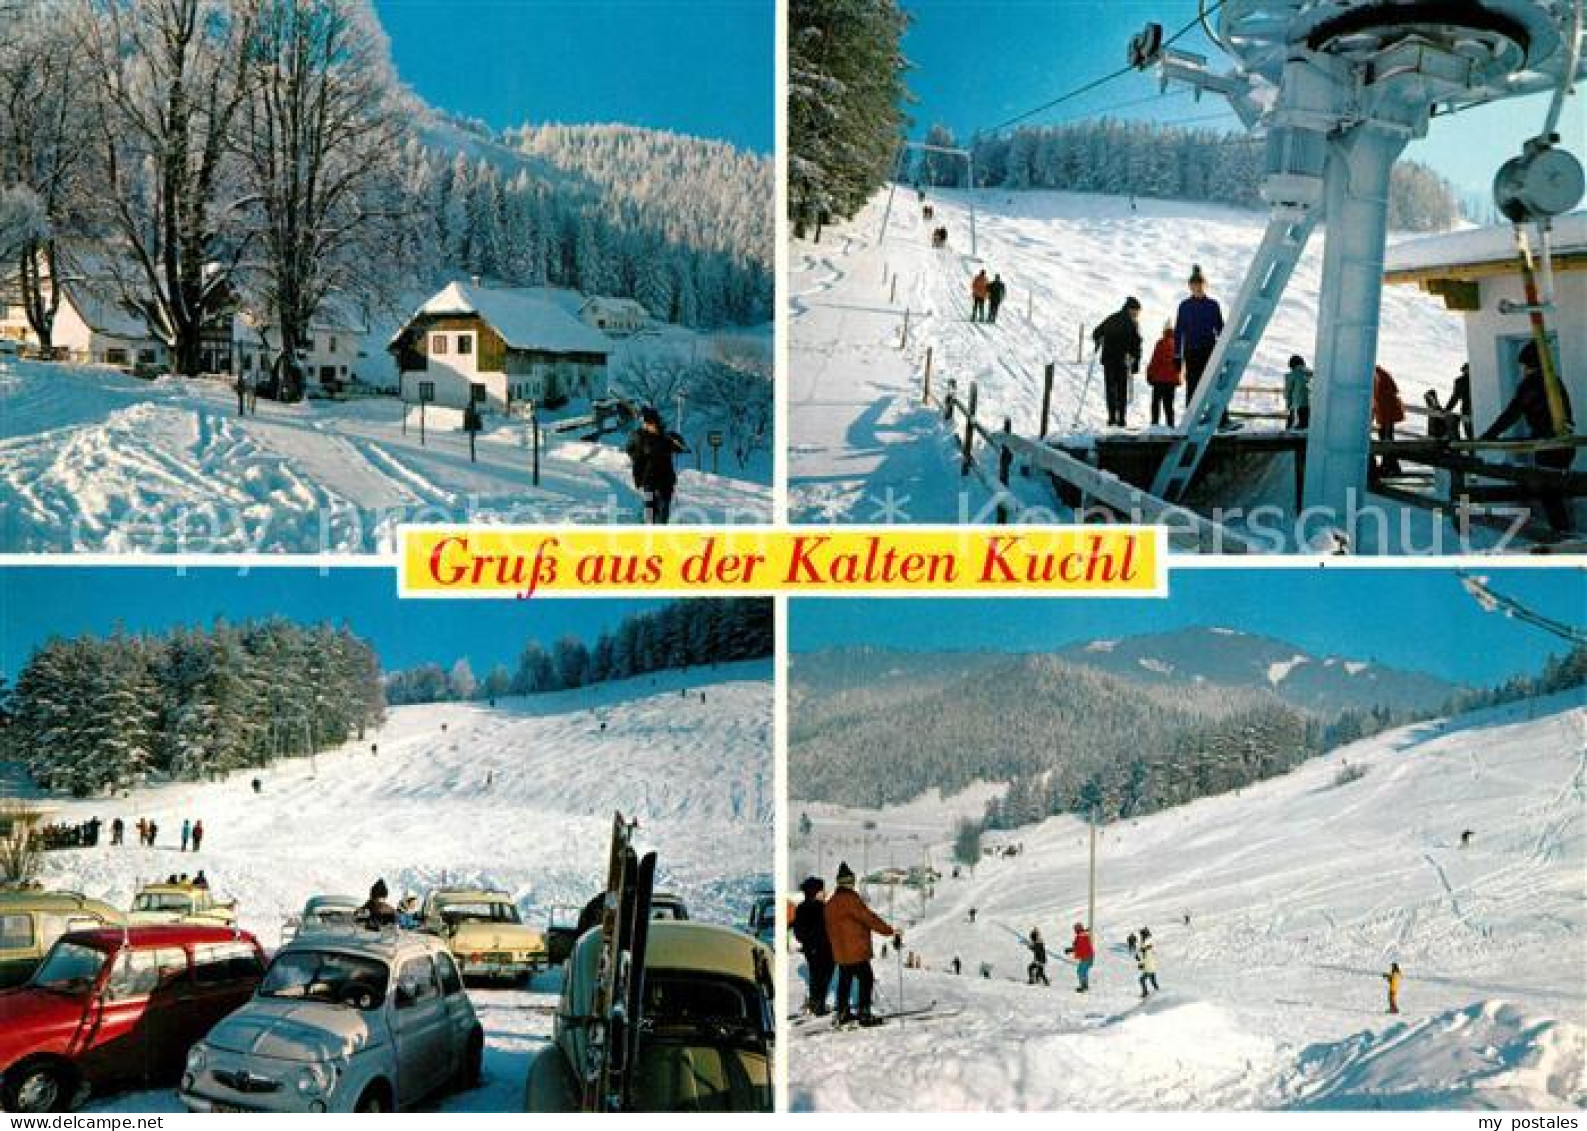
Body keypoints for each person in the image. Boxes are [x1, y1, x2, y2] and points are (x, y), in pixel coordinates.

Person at [1482, 340, 1577, 532]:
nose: (1522, 370)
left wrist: (1490, 434)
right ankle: (1564, 528)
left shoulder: (1532, 384)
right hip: (1565, 442)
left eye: (1524, 365)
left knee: (1548, 490)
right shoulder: (1554, 381)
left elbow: (1512, 413)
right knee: (1556, 487)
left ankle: (1561, 531)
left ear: (1529, 364)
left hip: (1548, 444)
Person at [823, 861, 897, 1026]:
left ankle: (843, 1013)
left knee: (844, 981)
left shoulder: (830, 903)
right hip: (856, 950)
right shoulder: (851, 900)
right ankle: (864, 1014)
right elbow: (869, 918)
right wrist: (889, 930)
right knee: (866, 979)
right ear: (850, 882)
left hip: (840, 951)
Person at [625, 406, 687, 525]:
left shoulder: (667, 437)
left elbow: (682, 448)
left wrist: (677, 441)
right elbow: (631, 451)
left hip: (665, 479)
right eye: (646, 423)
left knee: (664, 509)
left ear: (656, 422)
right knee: (649, 508)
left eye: (650, 423)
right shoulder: (640, 436)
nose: (648, 426)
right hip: (648, 478)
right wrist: (637, 474)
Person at [1175, 265, 1224, 408]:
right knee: (1193, 385)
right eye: (1194, 286)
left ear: (1205, 286)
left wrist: (1225, 350)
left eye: (1200, 286)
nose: (1197, 289)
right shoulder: (1184, 306)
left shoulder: (1212, 305)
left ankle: (1220, 416)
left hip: (1209, 350)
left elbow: (1220, 329)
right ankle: (1190, 415)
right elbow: (1179, 331)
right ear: (1190, 287)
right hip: (1192, 351)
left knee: (1213, 383)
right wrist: (1177, 355)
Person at [1093, 297, 1143, 428]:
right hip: (1121, 361)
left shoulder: (1112, 318)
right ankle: (1121, 419)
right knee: (1121, 390)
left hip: (1109, 360)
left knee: (1110, 389)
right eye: (1136, 312)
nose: (1137, 315)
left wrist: (1099, 339)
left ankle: (1111, 418)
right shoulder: (1132, 324)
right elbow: (1136, 345)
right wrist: (1136, 362)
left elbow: (1096, 332)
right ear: (1130, 309)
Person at [792, 876, 835, 1016]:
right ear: (815, 892)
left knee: (816, 976)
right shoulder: (822, 908)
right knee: (823, 976)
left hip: (810, 949)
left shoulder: (800, 908)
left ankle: (815, 1003)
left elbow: (797, 932)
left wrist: (807, 942)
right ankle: (819, 1005)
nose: (824, 892)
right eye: (822, 890)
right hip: (824, 948)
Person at [1373, 365, 1406, 478]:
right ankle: (1390, 466)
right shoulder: (1380, 374)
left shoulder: (1376, 376)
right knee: (1386, 438)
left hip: (1387, 413)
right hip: (1387, 412)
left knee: (1386, 438)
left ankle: (1390, 466)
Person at [1146, 322, 1180, 427]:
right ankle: (1170, 424)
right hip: (1171, 380)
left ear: (1164, 331)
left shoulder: (1160, 343)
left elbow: (1155, 360)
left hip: (1159, 379)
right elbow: (1180, 364)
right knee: (1169, 404)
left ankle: (1154, 423)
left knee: (1156, 402)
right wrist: (1178, 378)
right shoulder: (1178, 344)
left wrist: (1149, 374)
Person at [1064, 922, 1095, 993]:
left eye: (1075, 929)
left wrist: (1071, 949)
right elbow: (1078, 946)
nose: (1075, 931)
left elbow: (1079, 947)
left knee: (1081, 971)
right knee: (1082, 971)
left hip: (1086, 957)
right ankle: (1085, 985)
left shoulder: (1081, 937)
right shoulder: (1082, 935)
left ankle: (1084, 986)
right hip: (1087, 956)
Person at [1285, 354, 1313, 430]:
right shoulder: (1311, 374)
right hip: (1309, 405)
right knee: (1306, 427)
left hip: (1296, 405)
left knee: (1292, 428)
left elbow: (1288, 392)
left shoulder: (1291, 375)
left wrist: (1288, 405)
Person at [1447, 363, 1473, 439]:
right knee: (1470, 433)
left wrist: (1448, 409)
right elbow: (1455, 397)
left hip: (1468, 409)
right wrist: (1448, 409)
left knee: (1470, 434)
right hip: (1468, 409)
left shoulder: (1461, 381)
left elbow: (1455, 397)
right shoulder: (1461, 381)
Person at [1137, 927, 1160, 998]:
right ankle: (1158, 992)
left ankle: (1145, 992)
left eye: (1141, 934)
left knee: (1141, 979)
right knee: (1153, 981)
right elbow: (1144, 954)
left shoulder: (1147, 942)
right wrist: (1139, 959)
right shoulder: (1145, 942)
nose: (1141, 936)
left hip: (1149, 966)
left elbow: (1146, 955)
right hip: (1150, 965)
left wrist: (1141, 963)